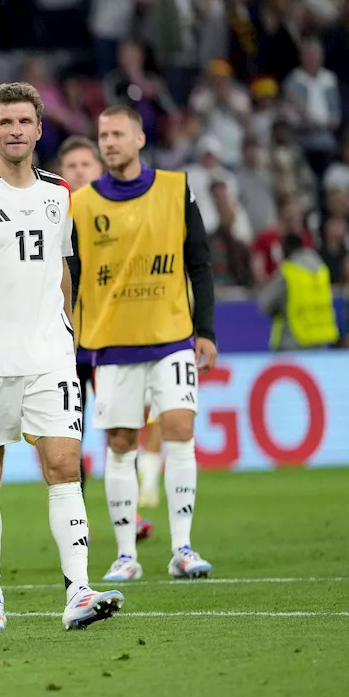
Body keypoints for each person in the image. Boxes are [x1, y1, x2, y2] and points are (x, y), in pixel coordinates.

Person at [0, 82, 124, 632]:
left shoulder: (60, 192)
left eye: (25, 122)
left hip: (49, 358)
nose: (16, 131)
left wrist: (66, 328)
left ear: (40, 129)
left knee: (63, 466)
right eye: (5, 123)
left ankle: (79, 591)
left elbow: (63, 266)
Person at [71, 105, 218, 584]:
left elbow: (200, 263)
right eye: (103, 134)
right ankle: (125, 554)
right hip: (111, 344)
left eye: (117, 134)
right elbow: (66, 277)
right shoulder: (82, 204)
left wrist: (207, 331)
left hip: (172, 337)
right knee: (120, 443)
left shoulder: (176, 189)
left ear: (138, 139)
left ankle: (182, 548)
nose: (108, 142)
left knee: (179, 429)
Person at [59, 136, 156, 537]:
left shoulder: (119, 217)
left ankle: (128, 515)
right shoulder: (49, 215)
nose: (79, 171)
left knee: (122, 430)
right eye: (71, 166)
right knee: (68, 437)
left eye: (87, 164)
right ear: (59, 174)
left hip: (110, 341)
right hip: (63, 345)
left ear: (100, 171)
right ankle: (74, 521)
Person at [258, 232, 338, 351]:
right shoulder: (322, 270)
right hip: (321, 340)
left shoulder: (288, 272)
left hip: (293, 341)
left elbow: (264, 304)